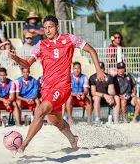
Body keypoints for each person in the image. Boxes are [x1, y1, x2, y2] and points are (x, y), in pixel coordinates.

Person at [8, 15, 106, 153]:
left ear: (57, 27)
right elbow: (27, 63)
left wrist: (98, 69)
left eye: (51, 27)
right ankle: (73, 138)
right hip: (47, 88)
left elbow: (91, 50)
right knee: (56, 121)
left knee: (40, 111)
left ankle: (23, 146)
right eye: (46, 28)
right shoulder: (41, 45)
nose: (48, 30)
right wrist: (16, 58)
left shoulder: (69, 39)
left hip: (63, 86)